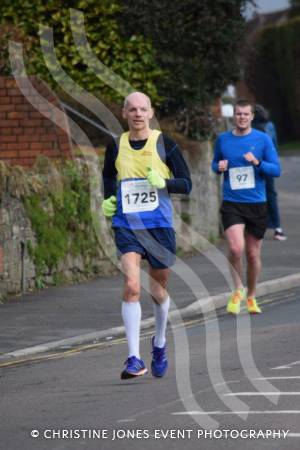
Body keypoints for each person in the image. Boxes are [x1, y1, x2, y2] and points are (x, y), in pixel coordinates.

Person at [101, 91, 192, 379]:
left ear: (151, 113)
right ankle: (133, 358)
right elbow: (107, 175)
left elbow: (186, 184)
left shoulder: (165, 143)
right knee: (131, 285)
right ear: (124, 113)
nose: (138, 114)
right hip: (127, 225)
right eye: (132, 109)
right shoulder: (115, 146)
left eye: (143, 109)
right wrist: (108, 198)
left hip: (159, 226)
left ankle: (160, 342)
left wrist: (163, 182)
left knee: (158, 291)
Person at [212, 99, 281, 315]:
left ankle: (251, 296)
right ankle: (237, 290)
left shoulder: (263, 139)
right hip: (233, 203)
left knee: (252, 254)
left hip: (257, 203)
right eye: (238, 114)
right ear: (234, 116)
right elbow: (215, 163)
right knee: (235, 248)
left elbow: (276, 170)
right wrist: (219, 166)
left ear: (252, 116)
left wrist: (258, 163)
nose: (242, 117)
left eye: (245, 114)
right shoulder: (223, 140)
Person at [252, 104, 287, 241]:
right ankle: (278, 229)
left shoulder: (250, 128)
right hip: (267, 166)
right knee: (271, 195)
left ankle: (253, 228)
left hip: (253, 166)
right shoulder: (270, 126)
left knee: (253, 195)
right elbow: (275, 147)